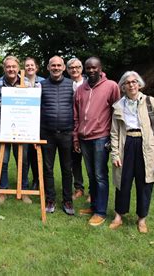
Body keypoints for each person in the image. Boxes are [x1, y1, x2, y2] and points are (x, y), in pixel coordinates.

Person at [109, 71, 154, 233]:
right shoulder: (118, 105)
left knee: (145, 183)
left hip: (146, 145)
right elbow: (114, 132)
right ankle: (119, 216)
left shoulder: (150, 102)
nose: (131, 85)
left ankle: (142, 219)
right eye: (128, 82)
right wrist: (115, 154)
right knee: (123, 181)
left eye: (134, 81)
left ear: (139, 84)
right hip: (125, 144)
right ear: (123, 86)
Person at [73, 56, 120, 226]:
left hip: (101, 137)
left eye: (94, 67)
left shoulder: (111, 86)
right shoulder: (80, 89)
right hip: (84, 138)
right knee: (91, 175)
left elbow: (117, 113)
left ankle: (100, 212)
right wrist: (76, 137)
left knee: (100, 175)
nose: (91, 70)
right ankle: (93, 206)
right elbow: (76, 115)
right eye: (88, 68)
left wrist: (113, 138)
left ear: (100, 68)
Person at [0, 56, 31, 204]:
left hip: (23, 132)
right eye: (8, 67)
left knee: (23, 162)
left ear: (18, 67)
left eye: (14, 66)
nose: (11, 69)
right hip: (1, 131)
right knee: (3, 162)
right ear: (4, 68)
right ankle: (2, 191)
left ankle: (24, 190)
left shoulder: (27, 84)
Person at [40, 56, 75, 215]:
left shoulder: (71, 85)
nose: (56, 68)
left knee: (67, 169)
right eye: (53, 65)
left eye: (59, 65)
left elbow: (76, 108)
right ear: (48, 67)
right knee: (47, 169)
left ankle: (67, 201)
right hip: (47, 133)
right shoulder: (41, 86)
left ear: (63, 68)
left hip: (67, 133)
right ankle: (50, 199)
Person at [66, 57, 86, 201]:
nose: (74, 70)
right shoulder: (66, 84)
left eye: (77, 67)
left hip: (87, 126)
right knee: (74, 160)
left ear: (82, 68)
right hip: (71, 127)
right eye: (71, 67)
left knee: (92, 162)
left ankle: (94, 191)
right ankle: (79, 188)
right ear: (67, 70)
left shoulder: (88, 84)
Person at [23, 57, 44, 190]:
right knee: (26, 154)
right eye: (27, 65)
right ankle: (25, 180)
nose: (30, 67)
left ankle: (37, 179)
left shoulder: (43, 82)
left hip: (40, 122)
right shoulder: (20, 81)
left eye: (32, 65)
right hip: (24, 122)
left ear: (36, 67)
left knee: (37, 153)